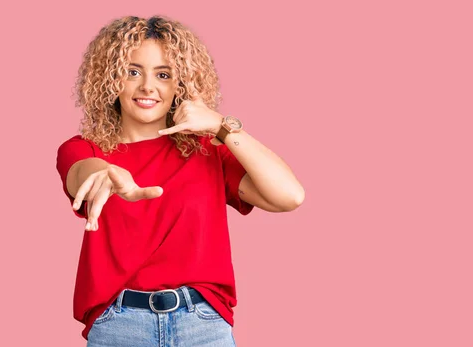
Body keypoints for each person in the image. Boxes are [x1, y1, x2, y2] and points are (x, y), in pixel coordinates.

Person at [55, 15, 305, 346]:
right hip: (119, 327)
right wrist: (101, 172)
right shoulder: (84, 149)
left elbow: (290, 196)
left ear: (180, 84)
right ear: (110, 79)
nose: (147, 86)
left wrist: (222, 127)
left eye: (163, 74)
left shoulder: (208, 152)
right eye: (133, 72)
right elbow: (79, 174)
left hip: (202, 325)